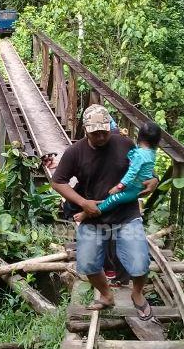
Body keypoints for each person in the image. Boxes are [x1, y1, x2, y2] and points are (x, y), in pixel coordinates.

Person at [51, 105, 159, 320]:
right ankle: (107, 295)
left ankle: (137, 294)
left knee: (139, 262)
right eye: (95, 133)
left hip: (126, 213)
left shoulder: (124, 143)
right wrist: (83, 202)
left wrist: (154, 180)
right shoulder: (75, 152)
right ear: (85, 130)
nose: (101, 136)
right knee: (88, 262)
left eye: (104, 131)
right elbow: (58, 182)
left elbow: (143, 166)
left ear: (110, 126)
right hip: (93, 215)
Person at [73, 121, 161, 223]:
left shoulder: (139, 154)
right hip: (136, 184)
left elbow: (132, 172)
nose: (101, 137)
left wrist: (119, 187)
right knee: (112, 197)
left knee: (114, 199)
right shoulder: (151, 152)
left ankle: (87, 214)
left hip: (134, 187)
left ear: (139, 136)